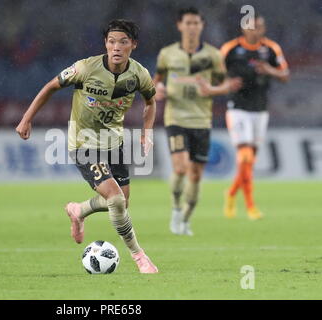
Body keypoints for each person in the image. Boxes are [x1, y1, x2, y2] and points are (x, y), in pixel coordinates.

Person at [16, 19, 158, 273]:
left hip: (114, 142)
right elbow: (51, 86)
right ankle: (139, 256)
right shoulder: (85, 68)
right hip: (84, 143)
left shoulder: (139, 74)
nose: (116, 47)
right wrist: (27, 119)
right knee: (115, 199)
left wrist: (146, 133)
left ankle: (79, 210)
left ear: (133, 45)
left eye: (123, 42)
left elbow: (151, 102)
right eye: (111, 41)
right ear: (105, 43)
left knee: (121, 202)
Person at [153, 7, 242, 236]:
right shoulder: (167, 54)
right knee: (181, 168)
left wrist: (212, 88)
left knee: (196, 175)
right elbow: (155, 82)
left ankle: (185, 218)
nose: (192, 27)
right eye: (188, 23)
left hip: (202, 121)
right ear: (179, 25)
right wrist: (159, 89)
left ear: (201, 26)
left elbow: (226, 84)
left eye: (196, 23)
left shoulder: (213, 55)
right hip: (176, 119)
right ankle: (175, 208)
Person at [221, 15, 290, 220]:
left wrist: (269, 70)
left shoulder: (271, 49)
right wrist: (227, 84)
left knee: (249, 162)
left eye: (260, 27)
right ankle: (251, 206)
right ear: (244, 29)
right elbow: (215, 73)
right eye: (252, 27)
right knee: (245, 156)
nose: (256, 31)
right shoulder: (230, 49)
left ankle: (231, 193)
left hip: (260, 110)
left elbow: (285, 74)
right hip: (238, 108)